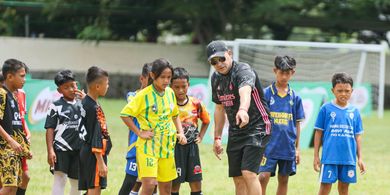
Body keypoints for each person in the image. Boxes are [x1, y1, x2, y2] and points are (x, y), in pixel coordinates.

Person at [207, 40, 271, 195]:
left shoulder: (243, 70)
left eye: (221, 58)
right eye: (214, 62)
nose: (219, 64)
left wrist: (243, 109)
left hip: (258, 126)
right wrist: (217, 138)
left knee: (248, 173)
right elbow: (219, 108)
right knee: (238, 178)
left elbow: (245, 91)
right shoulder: (215, 78)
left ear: (229, 54)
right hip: (236, 131)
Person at [120, 58, 187, 195]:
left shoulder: (169, 93)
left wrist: (181, 132)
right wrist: (139, 132)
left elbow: (174, 115)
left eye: (169, 77)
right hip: (148, 147)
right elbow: (125, 114)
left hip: (167, 147)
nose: (166, 81)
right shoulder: (143, 95)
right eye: (163, 77)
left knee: (166, 187)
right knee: (149, 185)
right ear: (152, 75)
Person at [313, 72, 366, 195]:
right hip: (329, 158)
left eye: (347, 91)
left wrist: (360, 158)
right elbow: (318, 133)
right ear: (333, 90)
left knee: (344, 189)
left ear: (352, 91)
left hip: (348, 158)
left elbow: (357, 136)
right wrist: (316, 155)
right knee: (325, 188)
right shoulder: (325, 109)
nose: (343, 94)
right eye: (340, 90)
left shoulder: (355, 112)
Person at [258, 56, 305, 195]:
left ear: (293, 73)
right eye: (281, 72)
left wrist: (297, 148)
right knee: (263, 177)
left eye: (287, 73)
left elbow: (297, 124)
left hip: (287, 146)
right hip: (268, 145)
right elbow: (260, 121)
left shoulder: (295, 97)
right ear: (275, 71)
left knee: (284, 179)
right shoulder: (266, 94)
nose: (284, 76)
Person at [170, 67, 210, 195]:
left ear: (189, 84)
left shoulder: (196, 103)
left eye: (184, 86)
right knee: (174, 185)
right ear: (170, 86)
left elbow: (206, 120)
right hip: (174, 148)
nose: (181, 90)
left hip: (192, 148)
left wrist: (201, 136)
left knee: (196, 183)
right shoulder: (169, 104)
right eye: (176, 87)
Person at [45, 70, 85, 195]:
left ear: (77, 85)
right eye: (66, 87)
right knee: (60, 179)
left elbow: (96, 118)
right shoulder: (55, 106)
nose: (71, 89)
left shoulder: (83, 103)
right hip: (61, 149)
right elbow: (49, 129)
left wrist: (87, 101)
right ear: (59, 90)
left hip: (79, 149)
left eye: (73, 85)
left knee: (76, 182)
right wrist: (50, 150)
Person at [118, 63, 156, 195]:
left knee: (152, 184)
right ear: (142, 79)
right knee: (130, 181)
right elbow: (128, 112)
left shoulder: (159, 97)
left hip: (154, 148)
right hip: (136, 147)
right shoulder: (133, 96)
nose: (153, 84)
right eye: (150, 81)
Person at [78, 66, 112, 195]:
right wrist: (101, 162)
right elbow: (95, 135)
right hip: (93, 155)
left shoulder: (87, 102)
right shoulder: (92, 107)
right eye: (106, 84)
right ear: (97, 86)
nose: (108, 86)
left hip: (86, 151)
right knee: (94, 190)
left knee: (91, 189)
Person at [0, 59, 31, 195]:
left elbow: (17, 126)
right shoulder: (2, 94)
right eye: (22, 76)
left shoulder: (14, 96)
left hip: (15, 152)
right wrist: (10, 141)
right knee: (8, 188)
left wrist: (24, 149)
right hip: (5, 150)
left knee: (13, 188)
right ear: (10, 77)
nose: (24, 79)